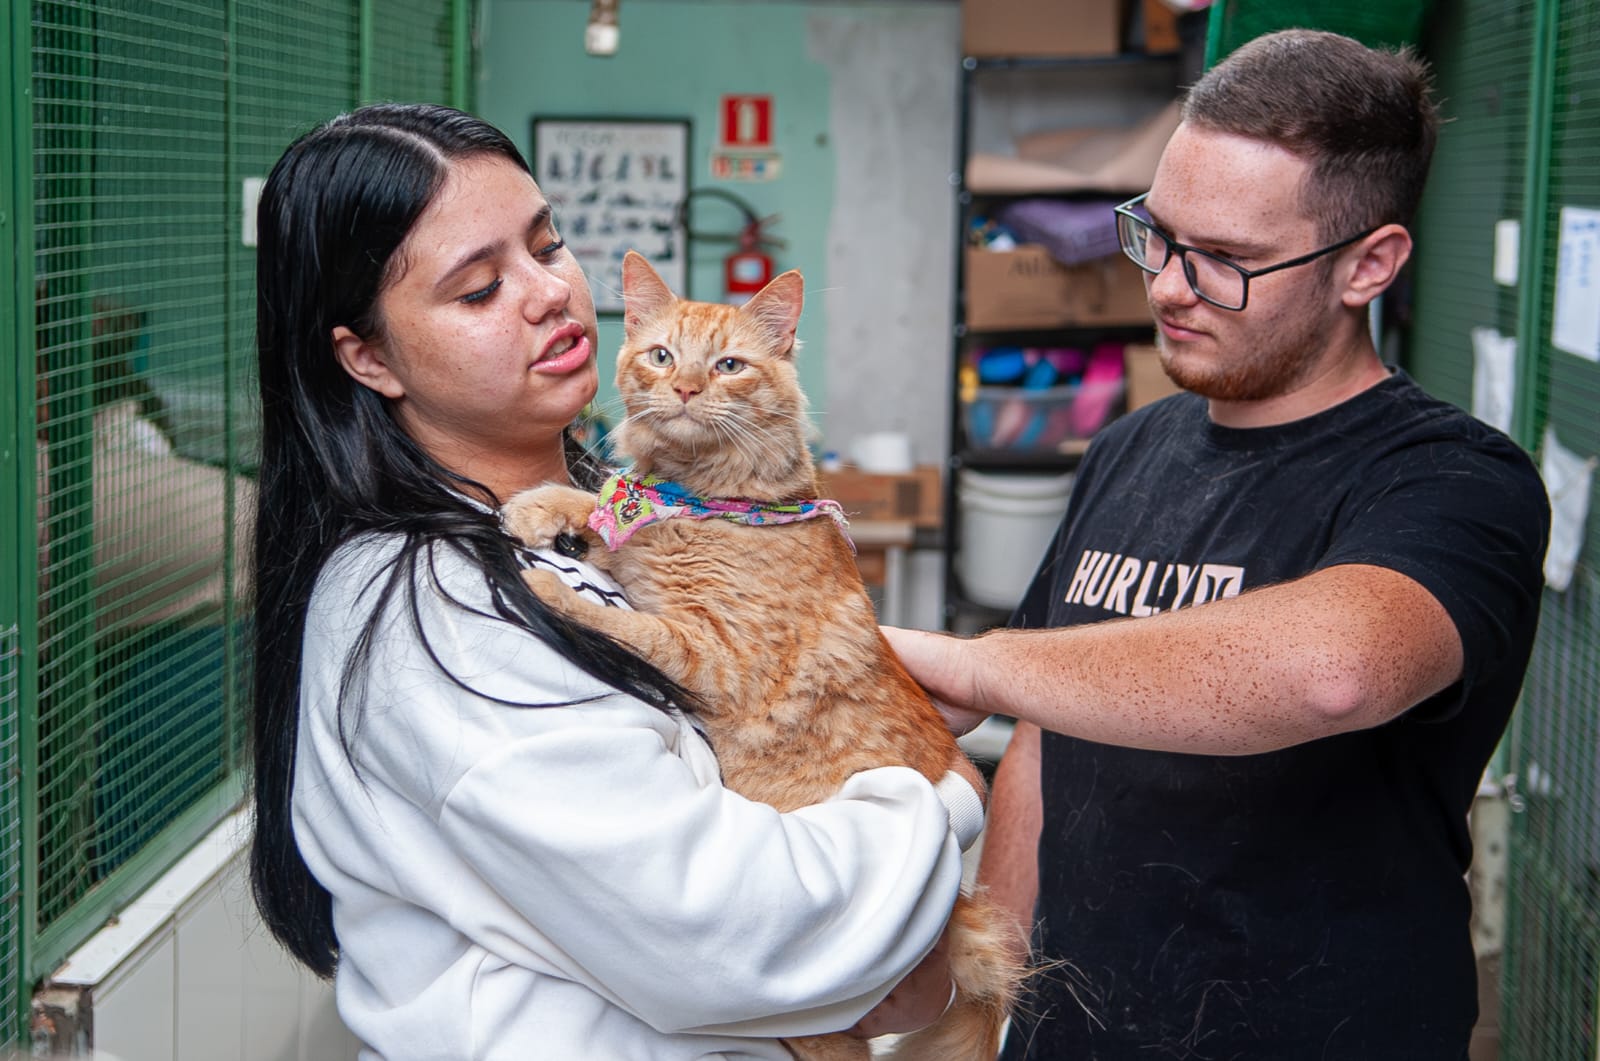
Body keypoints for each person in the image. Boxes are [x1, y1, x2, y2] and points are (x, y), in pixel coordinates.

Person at [248, 103, 986, 1059]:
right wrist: (943, 802)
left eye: (547, 245)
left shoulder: (604, 514)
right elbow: (723, 931)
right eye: (480, 288)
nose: (550, 293)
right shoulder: (434, 611)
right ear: (370, 357)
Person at [885, 29, 1551, 1060]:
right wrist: (985, 1008)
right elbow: (1044, 744)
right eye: (1158, 235)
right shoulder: (1129, 446)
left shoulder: (1454, 481)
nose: (1167, 286)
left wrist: (975, 664)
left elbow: (1333, 669)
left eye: (1228, 261)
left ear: (1368, 265)